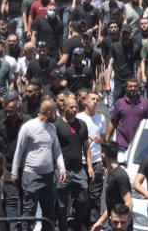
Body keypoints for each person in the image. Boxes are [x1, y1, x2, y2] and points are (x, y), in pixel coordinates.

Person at [11, 100, 66, 227]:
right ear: (49, 112)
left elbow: (57, 150)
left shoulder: (52, 128)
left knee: (48, 213)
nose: (56, 117)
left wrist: (62, 168)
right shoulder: (28, 127)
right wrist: (14, 173)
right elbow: (19, 151)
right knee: (29, 211)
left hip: (49, 176)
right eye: (54, 114)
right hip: (31, 176)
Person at [55, 96, 92, 231]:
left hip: (78, 170)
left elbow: (86, 147)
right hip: (62, 171)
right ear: (64, 108)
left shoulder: (82, 124)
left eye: (76, 107)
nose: (75, 109)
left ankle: (76, 227)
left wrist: (89, 166)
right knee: (61, 205)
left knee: (83, 200)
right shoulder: (57, 125)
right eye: (72, 107)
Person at [0, 94, 27, 231]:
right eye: (6, 111)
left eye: (10, 111)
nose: (8, 114)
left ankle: (26, 227)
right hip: (8, 167)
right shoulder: (1, 125)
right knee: (12, 201)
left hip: (26, 167)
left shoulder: (27, 123)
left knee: (27, 200)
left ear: (17, 108)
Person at [77, 91, 106, 228]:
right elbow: (75, 135)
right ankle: (81, 221)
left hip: (97, 161)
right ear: (85, 101)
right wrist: (89, 135)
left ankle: (94, 223)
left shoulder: (101, 118)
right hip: (81, 161)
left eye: (96, 99)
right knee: (82, 195)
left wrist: (104, 161)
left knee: (95, 195)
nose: (95, 102)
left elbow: (104, 140)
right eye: (92, 99)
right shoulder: (78, 118)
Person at [106, 78, 148, 154]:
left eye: (135, 86)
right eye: (130, 86)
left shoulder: (146, 103)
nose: (133, 88)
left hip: (140, 143)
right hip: (122, 144)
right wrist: (106, 141)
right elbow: (113, 123)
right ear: (126, 88)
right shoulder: (119, 103)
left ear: (138, 88)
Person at [90, 142, 132, 231]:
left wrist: (120, 224)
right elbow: (112, 207)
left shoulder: (120, 176)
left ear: (103, 155)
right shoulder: (111, 174)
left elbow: (129, 203)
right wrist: (100, 222)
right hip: (113, 226)